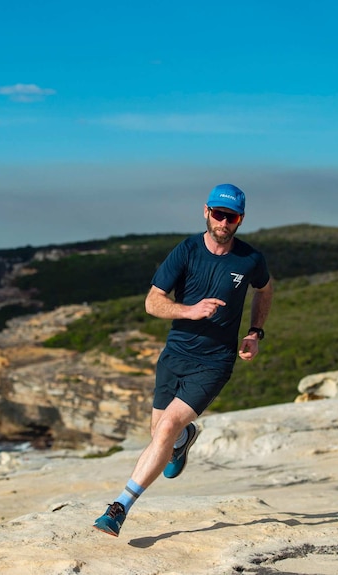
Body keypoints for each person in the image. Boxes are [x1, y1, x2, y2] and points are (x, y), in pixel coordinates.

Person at [93, 183, 274, 537]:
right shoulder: (187, 251)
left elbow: (265, 289)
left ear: (240, 220)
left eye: (231, 217)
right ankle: (183, 439)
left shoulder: (250, 259)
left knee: (164, 428)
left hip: (214, 362)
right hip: (175, 355)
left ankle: (118, 509)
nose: (223, 222)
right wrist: (190, 310)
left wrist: (255, 332)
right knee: (159, 432)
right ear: (206, 212)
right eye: (218, 214)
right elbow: (152, 301)